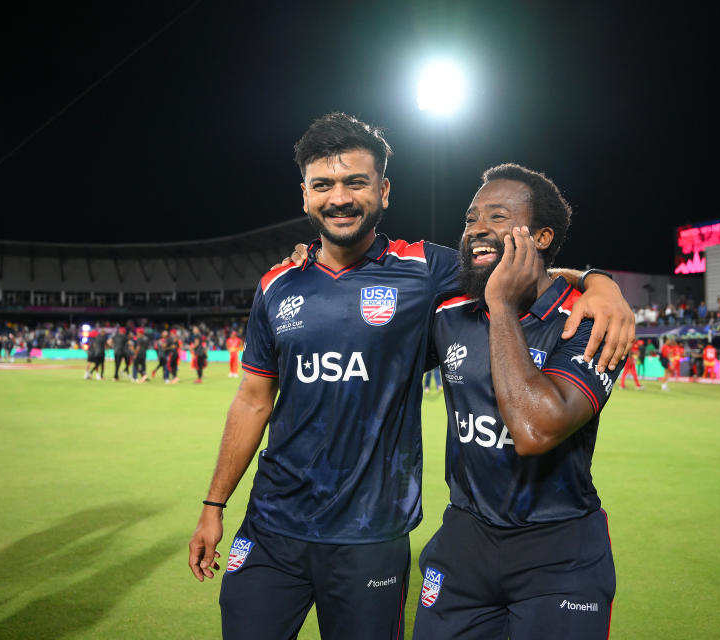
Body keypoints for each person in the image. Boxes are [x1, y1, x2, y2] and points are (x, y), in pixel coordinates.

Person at [187, 113, 635, 640]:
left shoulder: (427, 270)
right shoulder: (278, 283)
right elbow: (253, 400)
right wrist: (214, 504)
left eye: (356, 182)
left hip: (371, 532)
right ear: (305, 195)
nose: (340, 198)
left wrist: (598, 281)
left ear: (383, 190)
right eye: (323, 185)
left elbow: (514, 266)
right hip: (271, 522)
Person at [413, 165, 617, 639]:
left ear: (542, 236)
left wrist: (503, 305)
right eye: (470, 219)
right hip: (464, 542)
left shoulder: (588, 319)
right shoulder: (449, 313)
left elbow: (536, 429)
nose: (477, 229)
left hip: (559, 551)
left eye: (498, 216)